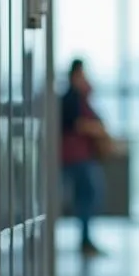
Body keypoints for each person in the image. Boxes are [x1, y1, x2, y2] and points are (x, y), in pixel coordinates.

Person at [60, 59, 111, 256]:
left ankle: (86, 239)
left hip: (83, 157)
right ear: (75, 75)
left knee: (88, 196)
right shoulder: (71, 98)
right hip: (76, 158)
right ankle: (85, 240)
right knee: (88, 196)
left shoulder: (80, 98)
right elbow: (78, 124)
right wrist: (97, 129)